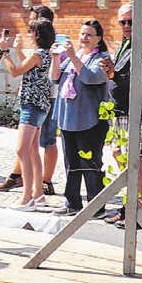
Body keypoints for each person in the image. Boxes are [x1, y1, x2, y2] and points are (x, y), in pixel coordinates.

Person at [106, 4, 142, 227]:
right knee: (119, 154)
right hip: (125, 110)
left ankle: (138, 212)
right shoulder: (129, 42)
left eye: (131, 21)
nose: (127, 26)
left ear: (141, 20)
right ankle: (128, 207)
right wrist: (112, 71)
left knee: (133, 162)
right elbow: (127, 72)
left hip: (139, 112)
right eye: (123, 22)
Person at [0, 5, 63, 195]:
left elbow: (16, 71)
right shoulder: (46, 53)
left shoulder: (38, 54)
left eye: (30, 30)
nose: (28, 33)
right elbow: (29, 67)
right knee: (33, 152)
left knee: (21, 150)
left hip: (31, 106)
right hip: (40, 105)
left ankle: (27, 197)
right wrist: (17, 50)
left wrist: (6, 52)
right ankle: (38, 195)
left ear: (37, 35)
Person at [50, 19, 113, 217]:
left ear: (98, 39)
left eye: (89, 35)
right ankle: (72, 202)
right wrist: (55, 57)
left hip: (90, 120)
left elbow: (91, 78)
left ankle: (96, 206)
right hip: (69, 117)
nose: (83, 38)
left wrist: (72, 57)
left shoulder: (102, 58)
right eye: (82, 34)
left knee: (91, 163)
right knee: (71, 163)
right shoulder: (74, 55)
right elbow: (54, 78)